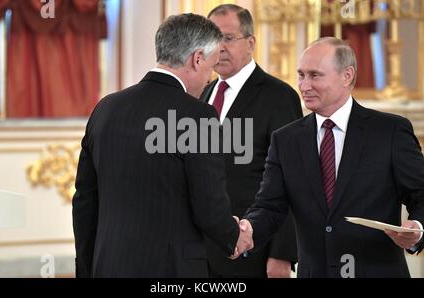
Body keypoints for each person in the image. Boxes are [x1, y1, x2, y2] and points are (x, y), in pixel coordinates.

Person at [72, 13, 252, 278]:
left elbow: (85, 201)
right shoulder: (198, 116)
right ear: (197, 59)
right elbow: (209, 206)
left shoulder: (105, 108)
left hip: (108, 264)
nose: (208, 79)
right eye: (210, 68)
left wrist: (88, 267)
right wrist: (234, 236)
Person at [239, 37, 424, 277]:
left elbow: (421, 194)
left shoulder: (390, 132)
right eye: (301, 75)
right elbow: (270, 206)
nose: (304, 86)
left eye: (315, 75)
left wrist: (417, 227)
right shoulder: (285, 140)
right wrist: (248, 230)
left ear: (347, 75)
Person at [200, 4, 302, 278]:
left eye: (228, 38)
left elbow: (292, 178)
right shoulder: (202, 94)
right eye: (212, 39)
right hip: (200, 250)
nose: (219, 47)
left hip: (253, 248)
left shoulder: (278, 96)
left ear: (251, 42)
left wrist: (282, 253)